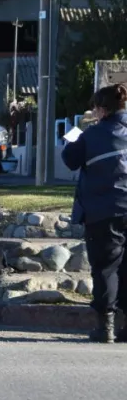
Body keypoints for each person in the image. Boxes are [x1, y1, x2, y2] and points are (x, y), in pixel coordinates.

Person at [60, 83, 127, 343]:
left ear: (101, 109)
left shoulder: (91, 134)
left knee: (106, 269)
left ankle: (105, 328)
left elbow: (69, 158)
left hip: (103, 211)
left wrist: (78, 128)